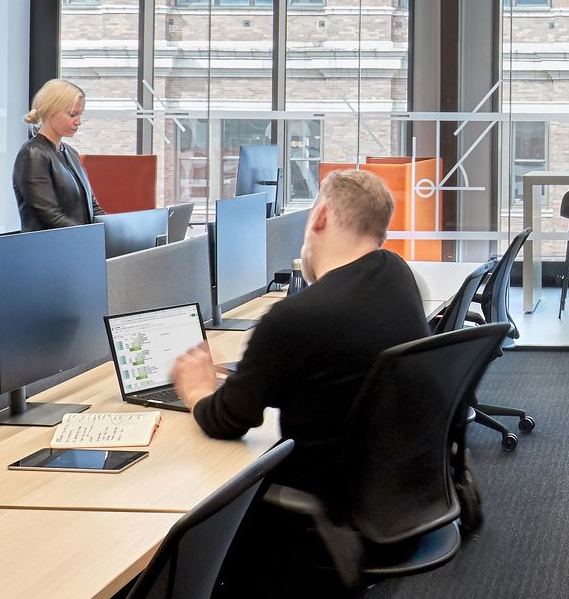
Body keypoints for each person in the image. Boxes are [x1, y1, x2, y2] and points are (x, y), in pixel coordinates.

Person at [168, 167, 429, 508]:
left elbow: (227, 421)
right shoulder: (398, 274)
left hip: (325, 506)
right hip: (394, 490)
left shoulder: (295, 317)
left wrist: (197, 390)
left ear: (320, 216)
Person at [12, 78, 105, 230]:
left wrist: (113, 229)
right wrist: (89, 235)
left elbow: (92, 206)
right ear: (50, 111)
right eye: (72, 114)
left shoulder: (71, 153)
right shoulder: (33, 154)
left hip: (75, 242)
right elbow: (49, 215)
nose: (78, 122)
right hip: (50, 248)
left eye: (80, 114)